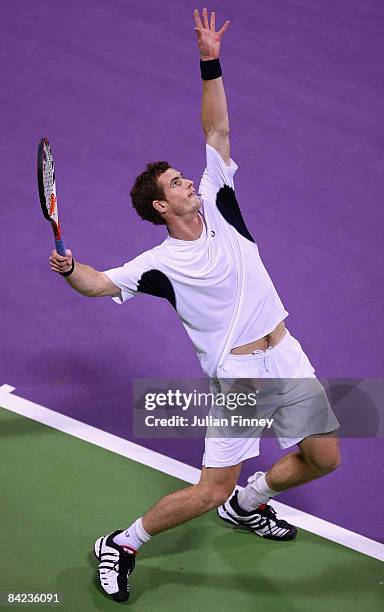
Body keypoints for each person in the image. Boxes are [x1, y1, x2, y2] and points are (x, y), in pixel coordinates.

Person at [49, 8, 340, 603]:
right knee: (208, 488)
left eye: (185, 177)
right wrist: (70, 268)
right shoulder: (159, 265)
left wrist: (210, 59)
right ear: (161, 206)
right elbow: (100, 284)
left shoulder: (219, 196)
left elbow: (217, 130)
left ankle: (248, 503)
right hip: (238, 376)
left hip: (283, 348)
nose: (188, 182)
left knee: (323, 455)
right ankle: (123, 541)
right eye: (176, 183)